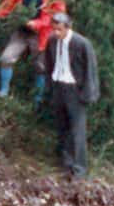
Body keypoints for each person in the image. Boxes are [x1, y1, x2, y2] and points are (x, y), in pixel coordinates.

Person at [41, 11, 100, 178]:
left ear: (68, 28)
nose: (56, 33)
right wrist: (49, 87)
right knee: (62, 126)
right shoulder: (52, 40)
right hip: (59, 86)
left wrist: (88, 94)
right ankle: (65, 163)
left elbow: (90, 70)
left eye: (59, 29)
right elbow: (49, 63)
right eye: (54, 29)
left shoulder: (81, 43)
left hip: (75, 89)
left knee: (77, 130)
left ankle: (79, 169)